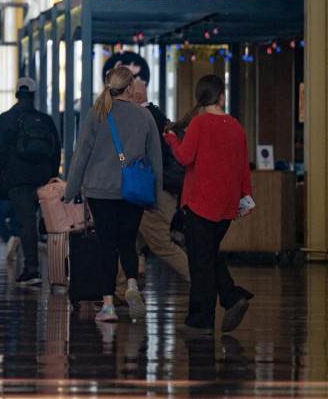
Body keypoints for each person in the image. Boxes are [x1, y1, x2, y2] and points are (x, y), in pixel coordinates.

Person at [63, 66, 163, 322]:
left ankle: (107, 306)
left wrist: (70, 190)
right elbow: (156, 160)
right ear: (129, 88)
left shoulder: (98, 112)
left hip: (101, 191)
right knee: (127, 243)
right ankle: (131, 284)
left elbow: (81, 153)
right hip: (134, 191)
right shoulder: (145, 116)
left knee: (106, 246)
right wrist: (155, 199)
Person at [164, 75, 254, 334]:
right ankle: (231, 296)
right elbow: (242, 169)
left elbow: (183, 157)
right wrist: (245, 198)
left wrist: (171, 139)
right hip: (226, 207)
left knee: (200, 262)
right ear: (222, 97)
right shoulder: (237, 127)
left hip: (201, 203)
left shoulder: (201, 123)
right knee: (208, 256)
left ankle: (200, 320)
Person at [113, 79, 190, 299]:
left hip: (150, 195)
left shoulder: (142, 120)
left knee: (160, 243)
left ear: (135, 97)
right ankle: (123, 291)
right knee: (129, 241)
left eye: (125, 97)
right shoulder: (159, 117)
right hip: (158, 193)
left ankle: (203, 281)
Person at [0, 77, 61, 284]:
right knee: (44, 219)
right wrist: (52, 177)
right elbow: (55, 150)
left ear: (16, 94)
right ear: (33, 95)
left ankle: (32, 269)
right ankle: (57, 268)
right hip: (42, 179)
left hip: (18, 179)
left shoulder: (5, 119)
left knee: (26, 222)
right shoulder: (45, 120)